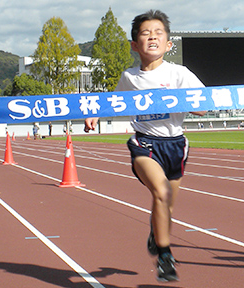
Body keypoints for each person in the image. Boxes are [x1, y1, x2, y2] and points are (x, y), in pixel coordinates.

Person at [84, 10, 206, 282]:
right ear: (134, 45)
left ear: (168, 44)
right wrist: (95, 113)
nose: (152, 36)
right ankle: (165, 256)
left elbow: (203, 109)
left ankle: (156, 231)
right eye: (145, 33)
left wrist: (180, 99)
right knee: (161, 192)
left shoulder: (179, 73)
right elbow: (113, 102)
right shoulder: (130, 78)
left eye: (158, 33)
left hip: (176, 145)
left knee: (167, 204)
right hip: (144, 143)